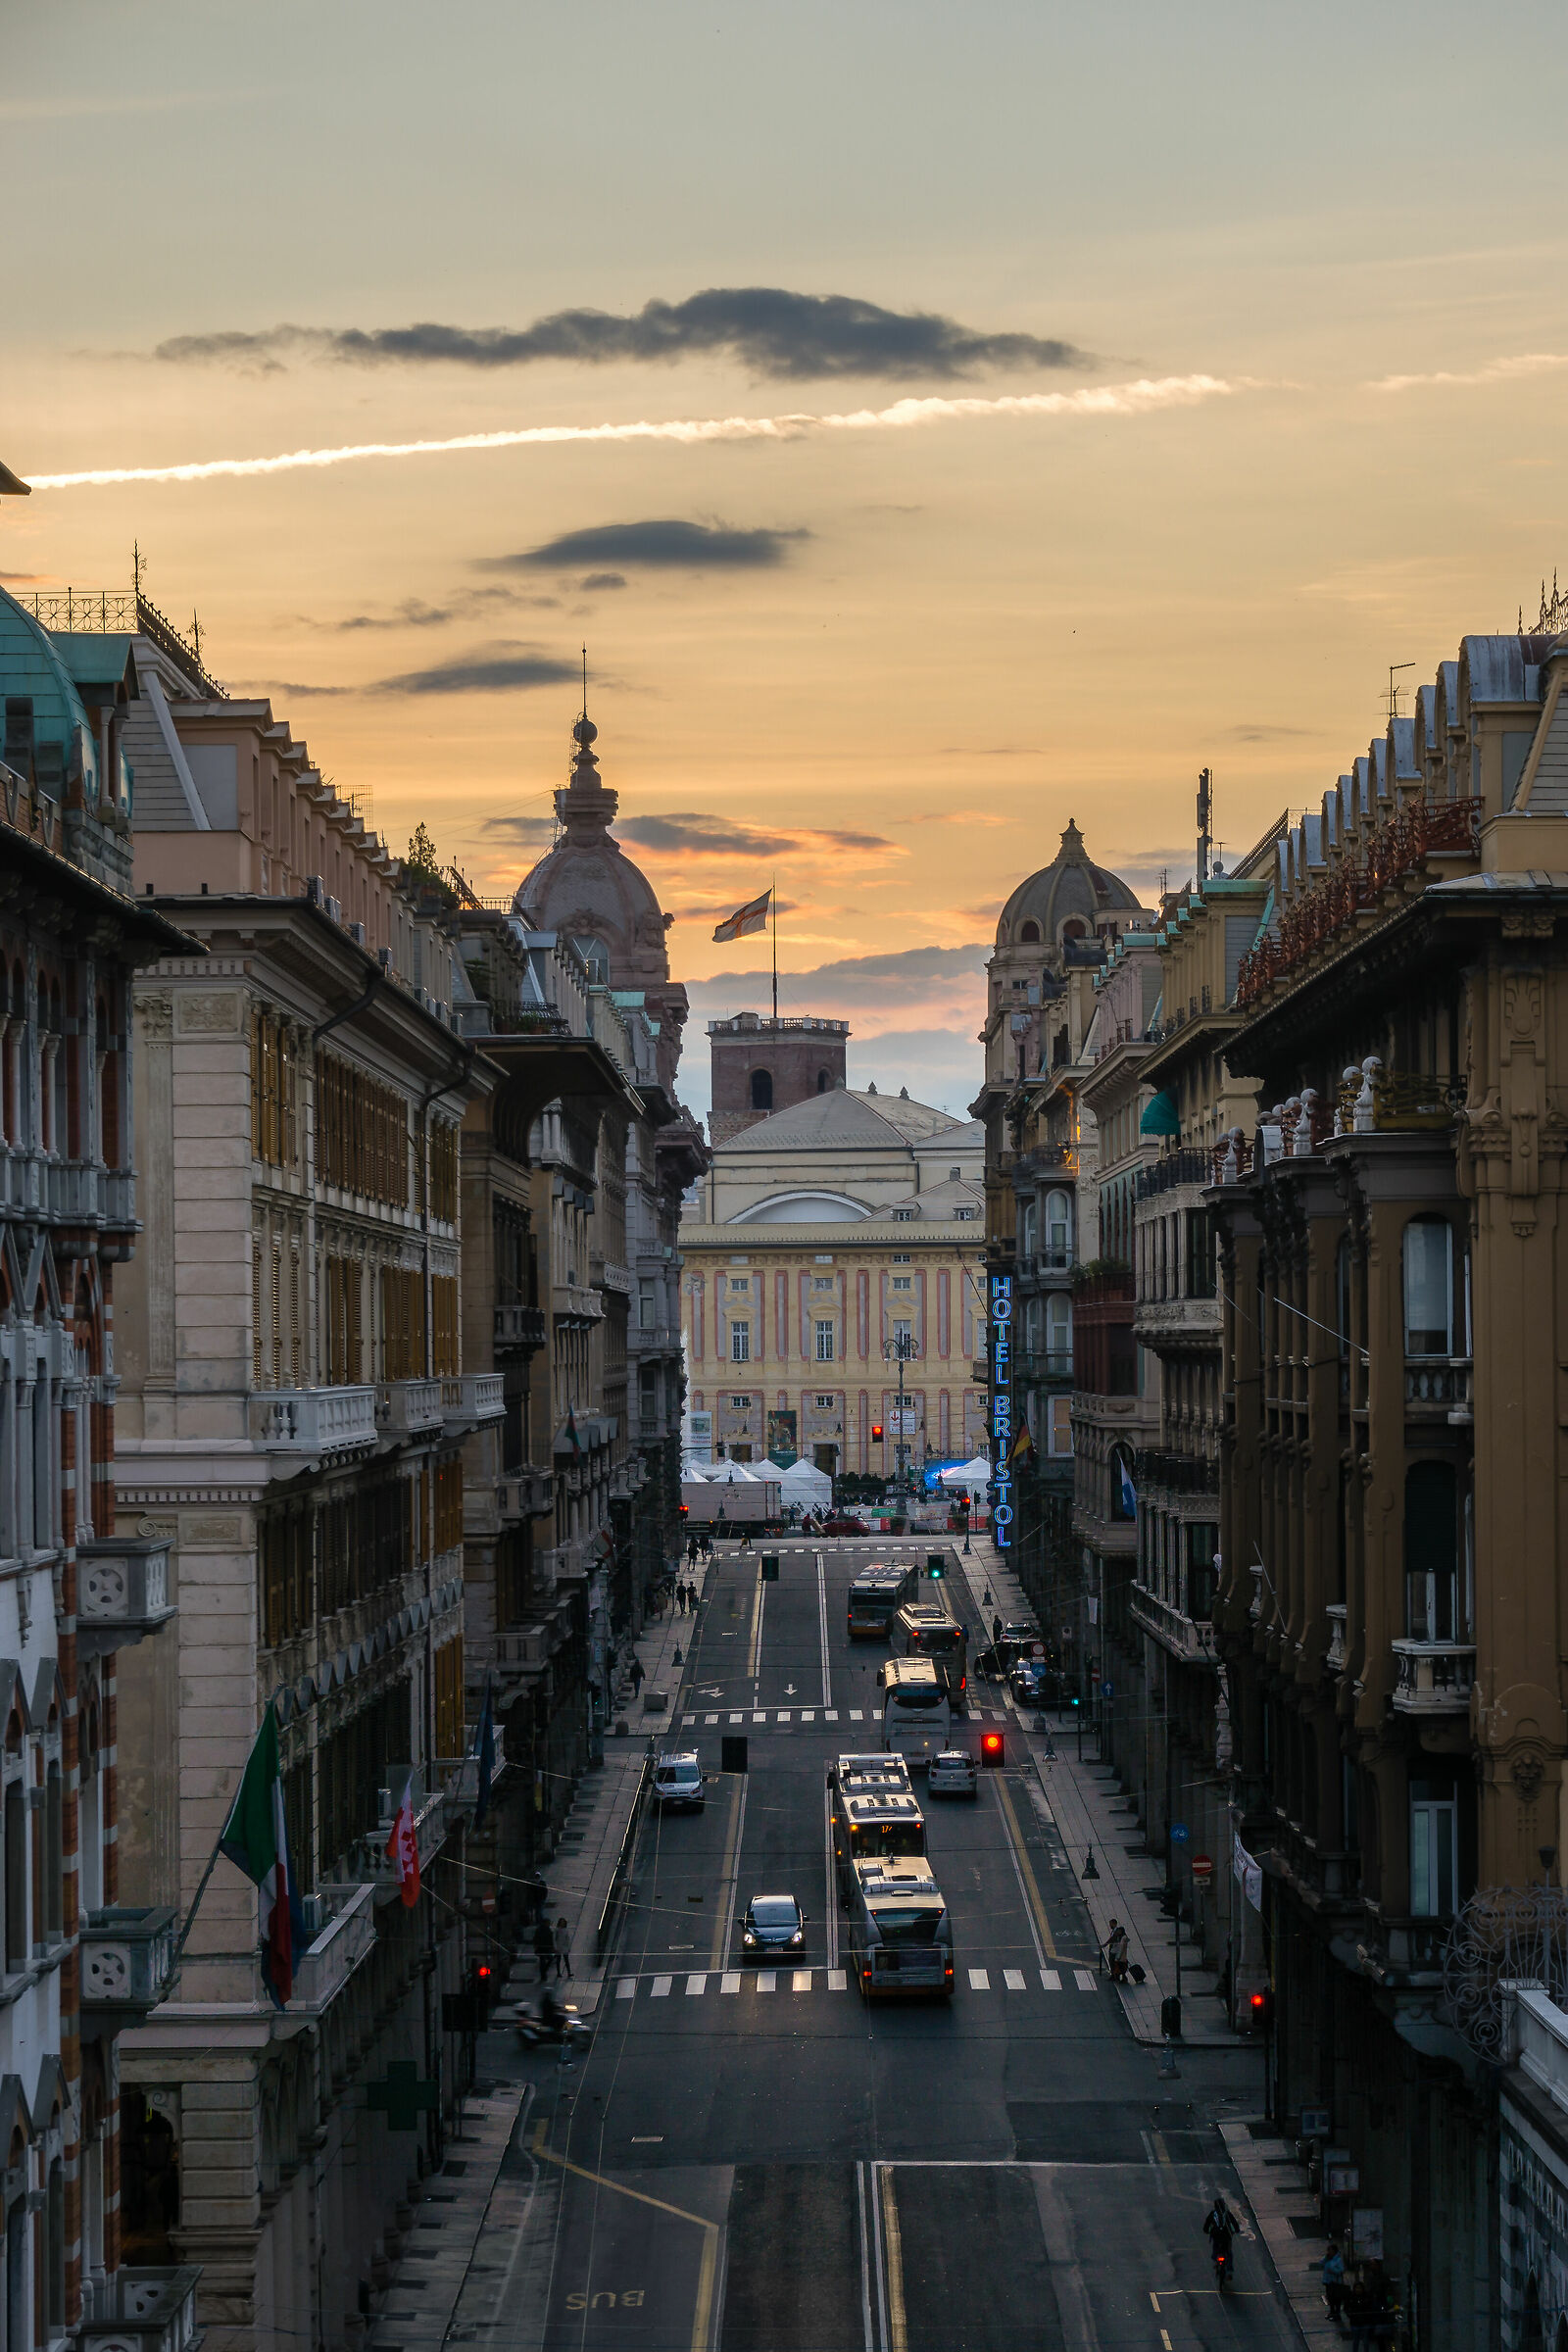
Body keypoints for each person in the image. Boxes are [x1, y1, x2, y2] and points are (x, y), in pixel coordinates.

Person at [1203, 2195, 1239, 2276]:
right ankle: (1229, 2270)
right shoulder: (1227, 2214)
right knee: (1229, 2252)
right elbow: (1234, 2223)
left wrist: (1206, 2230)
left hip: (1216, 2236)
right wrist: (1236, 2230)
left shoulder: (1213, 2214)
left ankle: (1215, 2259)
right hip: (1227, 2236)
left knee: (1215, 2247)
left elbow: (1207, 2224)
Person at [1321, 2241, 1346, 2324]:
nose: (1329, 2252)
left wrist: (1333, 2270)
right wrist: (1325, 2258)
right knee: (1330, 2298)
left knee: (1336, 2299)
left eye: (1331, 2251)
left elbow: (1341, 2270)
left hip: (1335, 2282)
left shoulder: (1338, 2260)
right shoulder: (1328, 2259)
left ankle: (1337, 2314)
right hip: (1328, 2282)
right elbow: (1321, 2263)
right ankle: (1332, 2312)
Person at [1105, 1920, 1130, 1984]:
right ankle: (1119, 1977)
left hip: (1120, 1956)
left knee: (1120, 1967)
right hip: (1122, 1956)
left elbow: (1121, 1948)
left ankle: (1121, 1978)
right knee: (1121, 1967)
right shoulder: (1122, 1937)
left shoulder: (1122, 1938)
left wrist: (1118, 1957)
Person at [533, 1915, 557, 1983]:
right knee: (545, 1960)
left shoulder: (541, 1929)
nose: (549, 1924)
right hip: (544, 1948)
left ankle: (543, 1973)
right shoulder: (545, 1930)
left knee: (545, 1960)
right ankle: (543, 1974)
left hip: (542, 1948)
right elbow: (550, 1939)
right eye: (548, 1923)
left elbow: (535, 1939)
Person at [554, 1915, 573, 1979]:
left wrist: (568, 1947)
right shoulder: (556, 1930)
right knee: (558, 1960)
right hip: (558, 1947)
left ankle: (569, 1972)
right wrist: (555, 1947)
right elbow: (554, 1939)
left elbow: (568, 1939)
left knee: (566, 1960)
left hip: (564, 1947)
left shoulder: (566, 1930)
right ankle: (558, 1972)